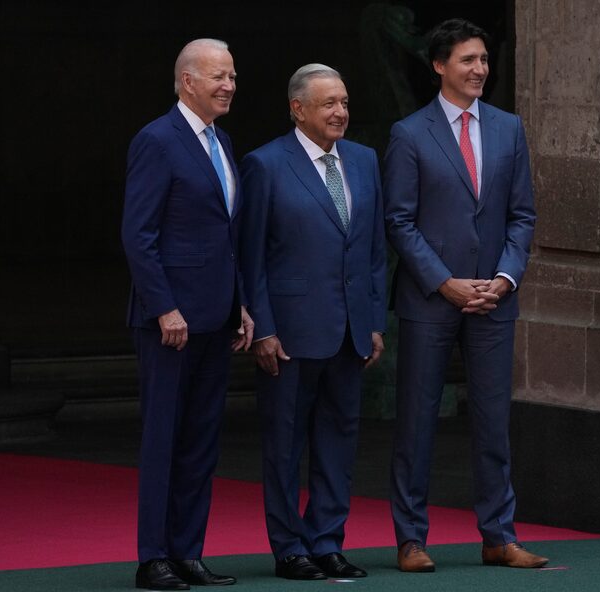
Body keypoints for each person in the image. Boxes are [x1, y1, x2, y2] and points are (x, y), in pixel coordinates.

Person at [384, 19, 546, 572]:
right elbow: (400, 222)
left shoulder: (508, 128)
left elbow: (522, 216)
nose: (480, 69)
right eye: (467, 60)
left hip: (494, 299)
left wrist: (504, 278)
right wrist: (445, 282)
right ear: (438, 66)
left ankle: (499, 535)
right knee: (417, 420)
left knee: (493, 420)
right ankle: (411, 539)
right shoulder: (409, 134)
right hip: (432, 300)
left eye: (483, 59)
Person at [240, 64, 386, 581]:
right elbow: (251, 256)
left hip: (350, 331)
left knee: (339, 440)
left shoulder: (365, 161)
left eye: (344, 102)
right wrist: (263, 328)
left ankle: (327, 540)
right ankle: (289, 547)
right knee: (284, 442)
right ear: (297, 109)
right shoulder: (265, 164)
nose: (340, 112)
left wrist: (373, 319)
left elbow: (372, 251)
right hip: (290, 333)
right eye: (328, 104)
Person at [121, 38, 253, 590]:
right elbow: (138, 234)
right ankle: (153, 557)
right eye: (218, 76)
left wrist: (240, 303)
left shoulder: (221, 140)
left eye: (232, 76)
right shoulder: (157, 140)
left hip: (217, 317)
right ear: (186, 82)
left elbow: (226, 236)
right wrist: (164, 308)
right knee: (164, 437)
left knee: (201, 440)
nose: (228, 85)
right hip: (169, 323)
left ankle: (188, 552)